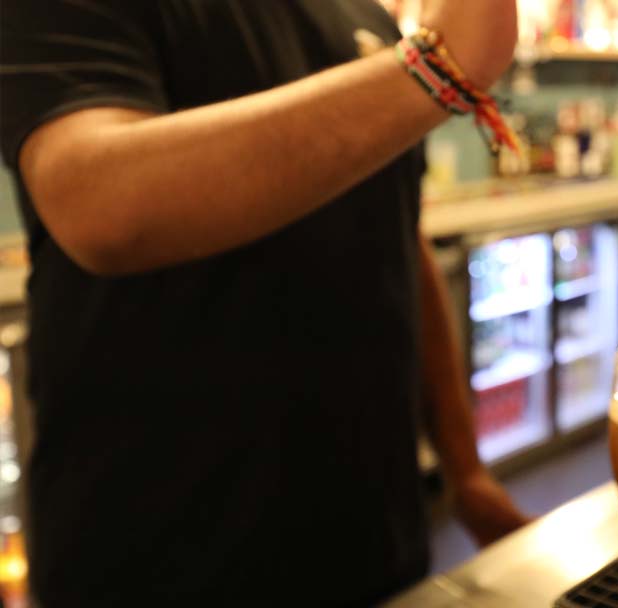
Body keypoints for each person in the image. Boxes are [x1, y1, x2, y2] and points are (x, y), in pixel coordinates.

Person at [0, 0, 525, 605]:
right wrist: (436, 72)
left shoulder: (364, 16)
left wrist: (465, 468)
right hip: (158, 560)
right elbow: (99, 204)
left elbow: (398, 235)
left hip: (372, 541)